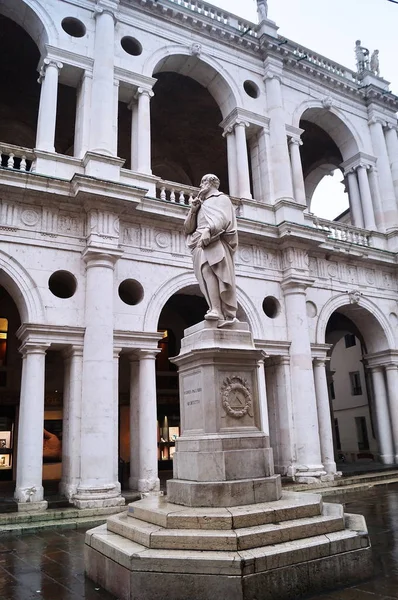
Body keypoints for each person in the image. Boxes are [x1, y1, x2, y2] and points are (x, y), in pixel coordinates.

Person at [184, 174, 238, 325]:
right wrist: (193, 209)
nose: (200, 185)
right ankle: (214, 308)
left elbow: (224, 218)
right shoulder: (200, 203)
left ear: (211, 183)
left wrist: (209, 230)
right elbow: (188, 227)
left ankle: (217, 310)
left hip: (213, 239)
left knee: (210, 270)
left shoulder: (222, 199)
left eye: (203, 182)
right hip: (198, 242)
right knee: (204, 274)